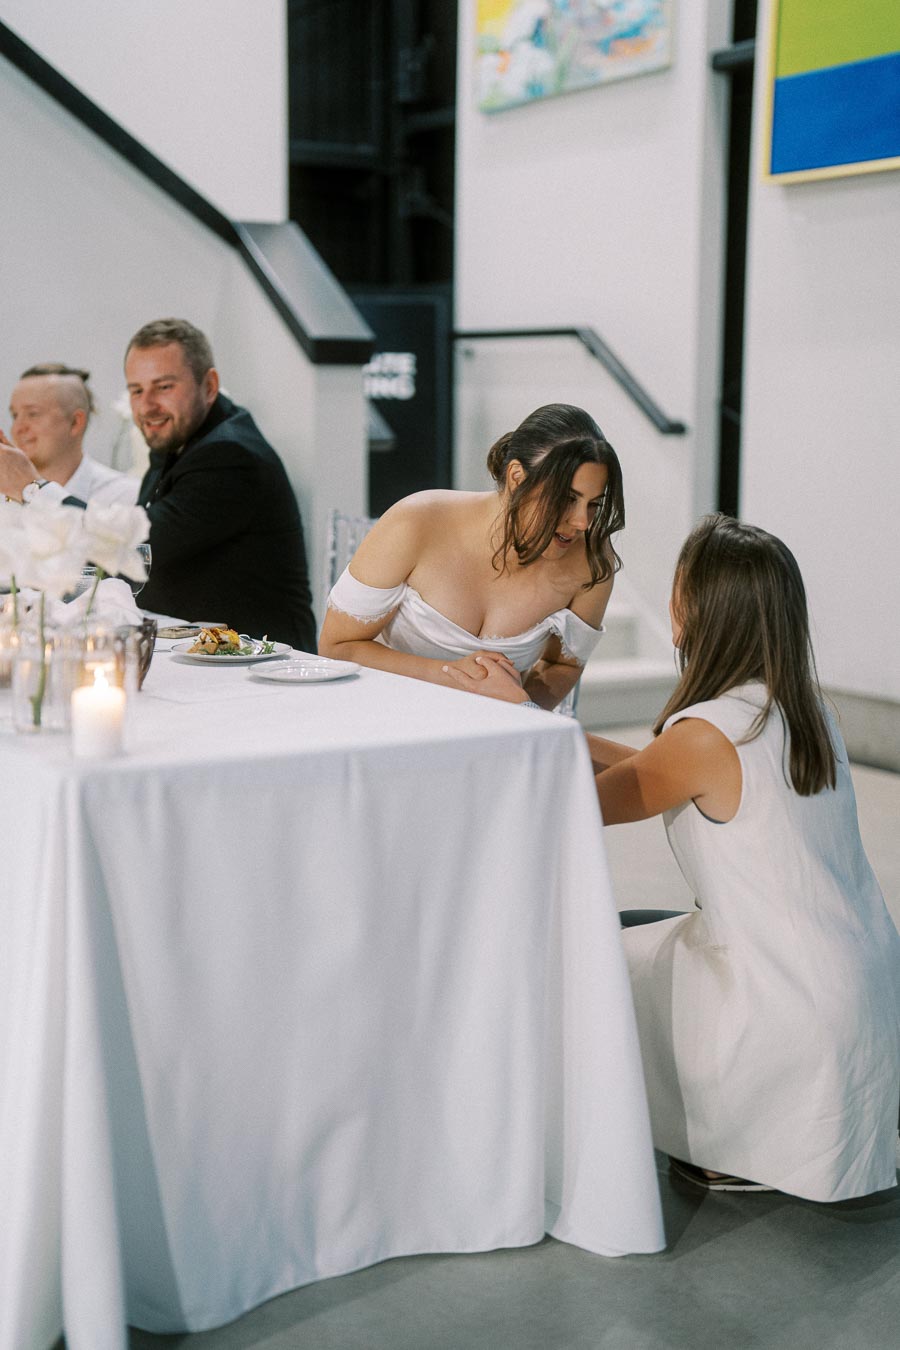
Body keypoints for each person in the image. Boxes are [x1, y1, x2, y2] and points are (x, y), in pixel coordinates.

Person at [585, 515, 899, 1201]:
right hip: (863, 994)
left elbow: (580, 802)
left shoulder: (704, 736)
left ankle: (727, 1136)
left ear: (693, 609)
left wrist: (517, 714)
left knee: (591, 957)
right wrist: (556, 733)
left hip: (781, 1008)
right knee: (648, 930)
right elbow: (655, 770)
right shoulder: (805, 711)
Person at [318, 404, 624, 709]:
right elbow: (336, 647)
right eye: (567, 499)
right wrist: (451, 677)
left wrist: (520, 713)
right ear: (517, 477)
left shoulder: (592, 562)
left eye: (594, 504)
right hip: (381, 716)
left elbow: (564, 665)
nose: (582, 522)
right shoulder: (417, 522)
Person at [122, 318, 316, 652]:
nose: (147, 405)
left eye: (164, 387)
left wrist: (36, 490)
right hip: (205, 653)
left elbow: (140, 545)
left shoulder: (230, 454)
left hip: (262, 666)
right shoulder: (179, 440)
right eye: (136, 390)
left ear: (209, 385)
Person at [0, 363, 137, 506]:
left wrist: (34, 491)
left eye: (33, 414)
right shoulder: (4, 498)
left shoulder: (125, 497)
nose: (17, 428)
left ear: (75, 422)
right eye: (15, 416)